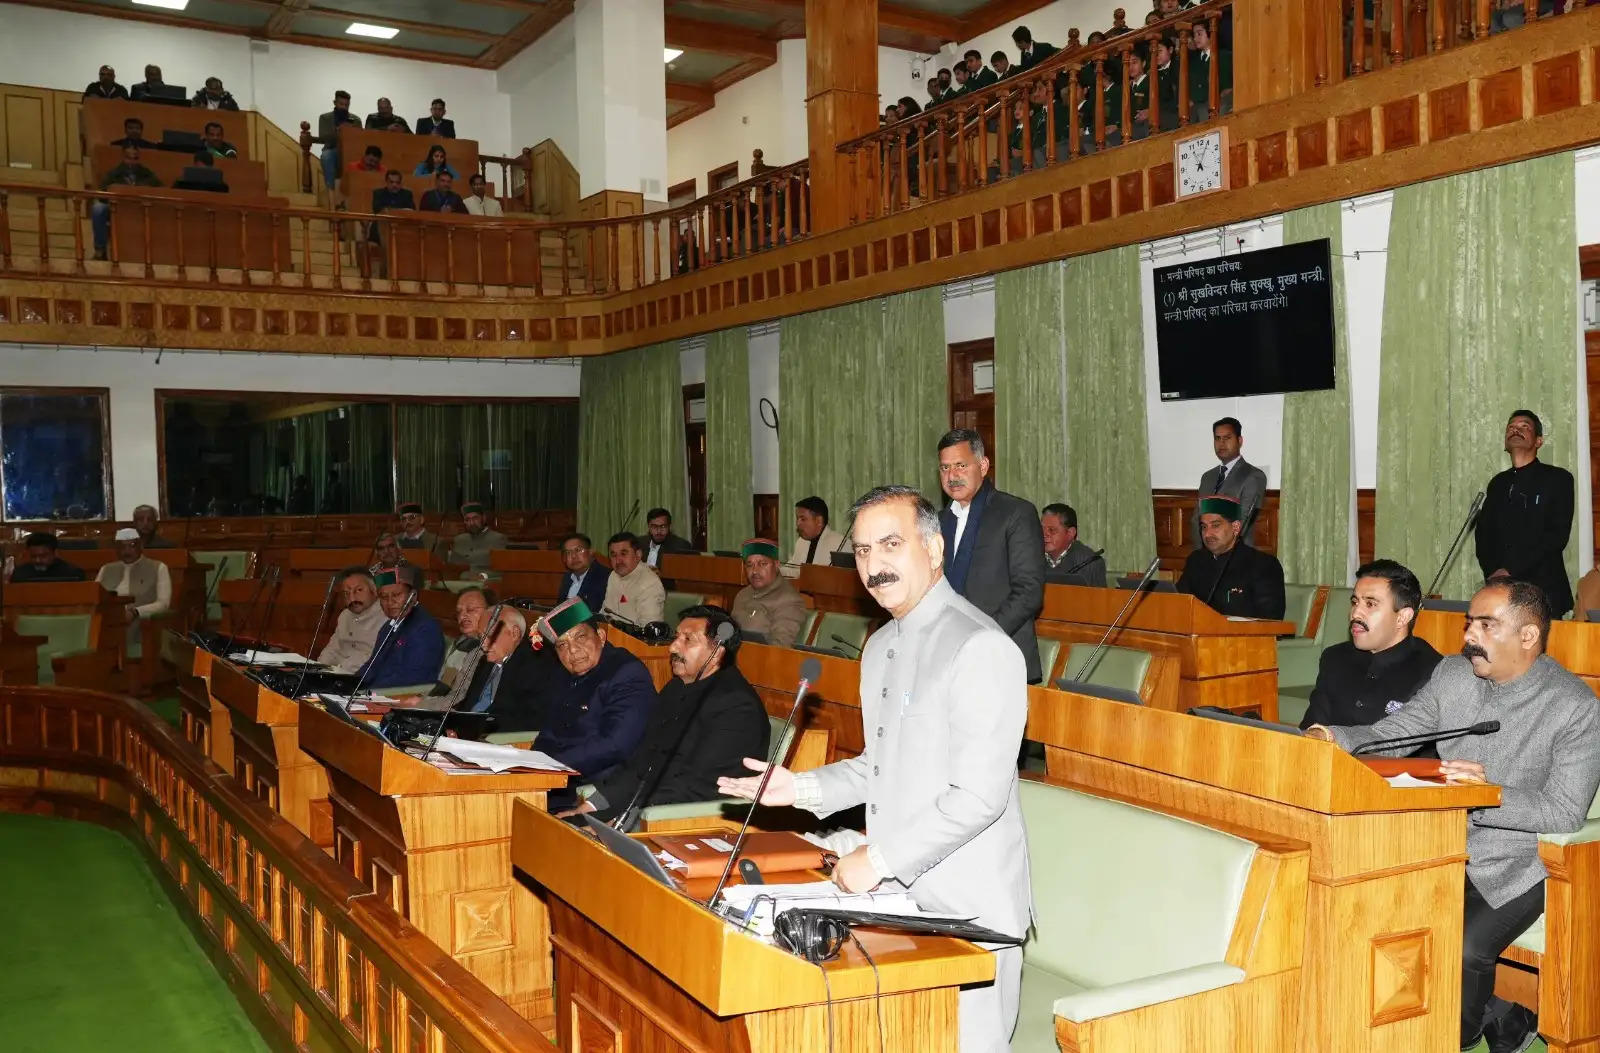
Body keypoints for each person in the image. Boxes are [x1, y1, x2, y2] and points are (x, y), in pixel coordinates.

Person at [720, 485, 1032, 1051]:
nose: (874, 565)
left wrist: (880, 858)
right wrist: (799, 786)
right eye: (862, 551)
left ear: (934, 549)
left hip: (967, 912)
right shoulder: (881, 644)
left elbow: (979, 797)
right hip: (895, 901)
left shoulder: (981, 646)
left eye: (891, 544)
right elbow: (878, 767)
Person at [1305, 579, 1600, 1053]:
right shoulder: (1453, 674)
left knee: (1462, 948)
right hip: (1438, 841)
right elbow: (1396, 733)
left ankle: (1452, 1041)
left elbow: (1565, 811)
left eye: (1486, 625)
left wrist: (1489, 793)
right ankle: (1499, 1020)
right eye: (1469, 623)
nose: (1469, 636)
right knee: (1369, 916)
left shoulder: (1574, 707)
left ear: (1528, 636)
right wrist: (1332, 737)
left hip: (1516, 863)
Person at [562, 604, 767, 825]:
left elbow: (695, 788)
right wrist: (588, 808)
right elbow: (640, 763)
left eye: (687, 640)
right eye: (676, 637)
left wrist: (619, 822)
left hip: (686, 822)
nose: (672, 648)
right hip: (642, 810)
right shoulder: (676, 688)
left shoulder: (736, 706)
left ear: (716, 653)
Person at [936, 428, 1046, 683]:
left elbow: (1029, 593)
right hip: (947, 657)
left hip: (1000, 655)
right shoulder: (938, 521)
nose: (952, 476)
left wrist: (980, 637)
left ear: (983, 466)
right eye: (944, 468)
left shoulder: (1015, 513)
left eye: (961, 465)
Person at [1297, 559, 1443, 730]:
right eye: (1355, 602)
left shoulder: (1433, 672)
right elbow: (1312, 729)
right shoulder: (1335, 658)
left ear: (1403, 617)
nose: (1355, 613)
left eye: (1370, 604)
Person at [532, 598, 657, 780]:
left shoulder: (626, 673)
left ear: (601, 636)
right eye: (562, 645)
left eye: (580, 637)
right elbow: (549, 734)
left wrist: (552, 767)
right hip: (558, 779)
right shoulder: (561, 675)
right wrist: (530, 766)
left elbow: (615, 745)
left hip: (599, 786)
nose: (573, 650)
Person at [1475, 409, 1574, 618]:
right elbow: (1483, 535)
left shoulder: (1558, 479)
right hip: (1502, 592)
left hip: (1543, 592)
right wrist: (1494, 572)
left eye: (1524, 427)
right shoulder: (1498, 483)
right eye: (1511, 427)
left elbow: (1556, 536)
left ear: (1538, 441)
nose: (1515, 430)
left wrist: (1510, 569)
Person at [435, 605, 550, 733]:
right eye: (481, 636)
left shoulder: (536, 664)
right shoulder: (485, 661)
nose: (483, 643)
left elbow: (524, 720)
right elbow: (468, 705)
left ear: (514, 633)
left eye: (489, 635)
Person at [1177, 495, 1286, 618]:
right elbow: (1179, 605)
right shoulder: (1196, 560)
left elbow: (1270, 621)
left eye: (1215, 525)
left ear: (1236, 527)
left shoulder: (1263, 565)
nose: (1207, 534)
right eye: (1204, 527)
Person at [353, 565, 445, 689]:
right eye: (384, 597)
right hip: (377, 695)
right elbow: (372, 667)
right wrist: (349, 685)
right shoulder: (387, 627)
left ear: (413, 596)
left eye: (396, 595)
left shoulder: (425, 629)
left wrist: (366, 693)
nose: (390, 602)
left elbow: (411, 681)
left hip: (400, 699)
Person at [1192, 416, 1267, 547]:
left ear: (1240, 441)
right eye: (1217, 438)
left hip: (1236, 556)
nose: (1221, 443)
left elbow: (1242, 523)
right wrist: (1201, 555)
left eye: (1227, 438)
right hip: (1205, 556)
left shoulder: (1253, 476)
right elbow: (1196, 520)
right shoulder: (1207, 477)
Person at [731, 538, 807, 645]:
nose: (755, 571)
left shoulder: (789, 601)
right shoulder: (742, 595)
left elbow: (780, 646)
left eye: (762, 564)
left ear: (776, 565)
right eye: (749, 565)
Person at [92, 144, 162, 260]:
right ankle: (100, 250)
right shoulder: (113, 173)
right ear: (123, 158)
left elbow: (160, 189)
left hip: (141, 208)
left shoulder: (146, 173)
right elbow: (102, 193)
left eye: (135, 158)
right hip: (117, 208)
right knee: (98, 209)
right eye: (128, 157)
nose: (132, 161)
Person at [314, 568, 386, 674]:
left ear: (374, 590)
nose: (352, 598)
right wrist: (318, 670)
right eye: (346, 593)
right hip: (340, 676)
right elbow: (333, 650)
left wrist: (340, 668)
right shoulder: (345, 615)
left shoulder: (387, 615)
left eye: (359, 590)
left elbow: (376, 659)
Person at [96, 527, 172, 623]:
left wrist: (136, 612)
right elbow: (94, 597)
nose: (127, 551)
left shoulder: (159, 567)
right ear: (116, 549)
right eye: (122, 547)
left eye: (132, 545)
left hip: (142, 622)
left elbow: (163, 604)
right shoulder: (106, 569)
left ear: (141, 546)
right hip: (107, 621)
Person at [437, 585, 494, 689]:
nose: (462, 616)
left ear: (491, 611)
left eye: (471, 609)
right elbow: (445, 684)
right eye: (459, 612)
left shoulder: (496, 651)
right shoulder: (461, 643)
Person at [602, 532, 666, 626]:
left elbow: (648, 629)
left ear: (638, 555)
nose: (618, 560)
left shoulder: (650, 583)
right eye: (613, 555)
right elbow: (606, 612)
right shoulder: (613, 575)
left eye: (623, 554)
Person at [1041, 503, 1106, 587]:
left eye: (1052, 530)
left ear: (1070, 533)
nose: (1044, 534)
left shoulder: (1090, 563)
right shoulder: (1029, 557)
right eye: (1041, 528)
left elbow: (1100, 599)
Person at [317, 91, 361, 193]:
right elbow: (323, 137)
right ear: (335, 103)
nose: (344, 107)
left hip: (351, 151)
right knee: (326, 156)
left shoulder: (356, 119)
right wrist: (338, 131)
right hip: (332, 149)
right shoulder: (325, 118)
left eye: (347, 105)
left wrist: (350, 132)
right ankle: (331, 193)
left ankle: (355, 193)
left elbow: (360, 139)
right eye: (341, 104)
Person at [447, 502, 507, 575]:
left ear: (484, 518)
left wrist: (484, 576)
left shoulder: (498, 539)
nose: (471, 523)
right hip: (460, 582)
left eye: (475, 518)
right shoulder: (459, 540)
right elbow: (451, 567)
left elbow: (501, 569)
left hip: (485, 583)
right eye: (467, 520)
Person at [788, 495, 846, 569]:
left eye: (803, 519)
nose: (798, 523)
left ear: (819, 521)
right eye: (797, 519)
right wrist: (776, 569)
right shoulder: (801, 541)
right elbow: (791, 568)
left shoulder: (840, 544)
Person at [558, 532, 610, 611]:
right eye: (568, 552)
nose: (573, 556)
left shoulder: (605, 576)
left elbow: (592, 611)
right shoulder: (567, 577)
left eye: (578, 550)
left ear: (591, 552)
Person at [7, 532, 86, 583]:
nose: (38, 560)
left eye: (43, 556)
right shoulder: (20, 574)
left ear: (55, 553)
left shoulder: (73, 574)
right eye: (33, 556)